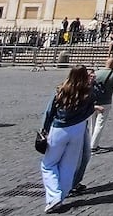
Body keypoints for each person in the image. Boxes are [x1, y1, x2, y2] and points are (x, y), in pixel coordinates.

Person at [40, 66, 103, 213]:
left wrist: (44, 129)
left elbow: (50, 111)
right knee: (69, 166)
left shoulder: (62, 89)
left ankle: (55, 196)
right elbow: (90, 109)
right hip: (78, 130)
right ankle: (60, 197)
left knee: (48, 164)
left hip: (59, 128)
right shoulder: (89, 93)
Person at [90, 58, 113, 153]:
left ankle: (90, 143)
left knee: (92, 124)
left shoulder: (96, 73)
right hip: (106, 101)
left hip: (93, 100)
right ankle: (93, 146)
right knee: (100, 124)